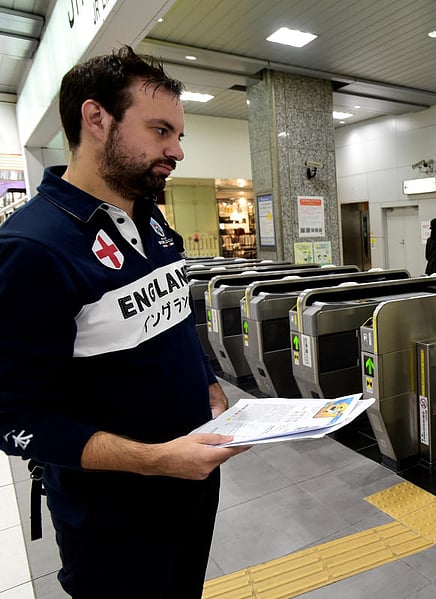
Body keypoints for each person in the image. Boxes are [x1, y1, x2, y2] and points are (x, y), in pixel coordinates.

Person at [0, 46, 246, 598]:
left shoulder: (150, 218)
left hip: (190, 487)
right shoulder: (33, 248)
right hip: (112, 520)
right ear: (96, 118)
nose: (177, 150)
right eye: (161, 131)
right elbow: (16, 418)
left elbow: (175, 316)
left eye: (178, 135)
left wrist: (206, 381)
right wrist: (154, 460)